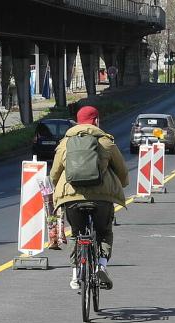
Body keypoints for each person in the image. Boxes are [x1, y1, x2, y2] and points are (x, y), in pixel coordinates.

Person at [49, 105, 129, 290]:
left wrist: (58, 189)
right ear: (96, 121)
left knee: (77, 234)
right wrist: (122, 184)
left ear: (77, 122)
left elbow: (54, 173)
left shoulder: (65, 143)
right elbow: (122, 171)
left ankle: (76, 274)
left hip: (71, 198)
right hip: (102, 198)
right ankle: (101, 264)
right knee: (104, 232)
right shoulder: (106, 142)